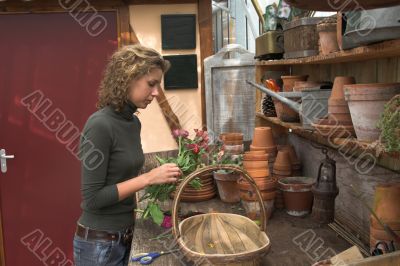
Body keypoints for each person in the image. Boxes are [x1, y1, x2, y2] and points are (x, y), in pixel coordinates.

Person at [73, 44, 181, 266]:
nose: (155, 93)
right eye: (151, 84)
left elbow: (122, 175)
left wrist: (162, 176)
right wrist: (149, 178)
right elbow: (93, 199)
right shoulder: (100, 125)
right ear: (127, 78)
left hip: (125, 237)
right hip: (98, 246)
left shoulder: (132, 122)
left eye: (158, 85)